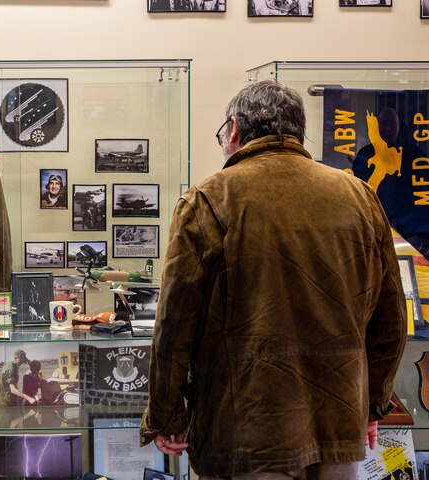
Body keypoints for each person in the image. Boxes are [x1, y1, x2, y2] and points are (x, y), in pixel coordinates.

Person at [140, 80, 406, 479]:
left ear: (233, 130)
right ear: (297, 133)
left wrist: (166, 413)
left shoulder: (208, 199)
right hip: (339, 419)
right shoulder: (359, 196)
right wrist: (372, 405)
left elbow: (175, 326)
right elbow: (391, 319)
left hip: (246, 429)